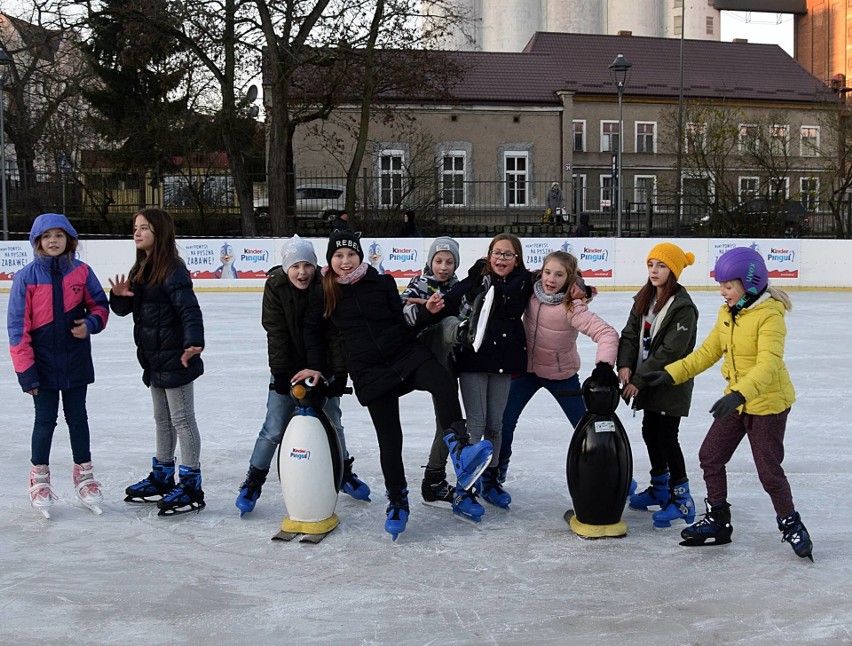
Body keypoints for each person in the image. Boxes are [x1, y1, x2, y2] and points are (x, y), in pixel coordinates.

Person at [294, 229, 493, 540]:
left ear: (360, 256)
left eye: (351, 254)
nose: (346, 261)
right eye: (339, 256)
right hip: (369, 370)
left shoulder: (381, 282)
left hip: (404, 354)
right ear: (330, 260)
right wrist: (316, 366)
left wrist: (427, 313)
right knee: (390, 440)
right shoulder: (325, 291)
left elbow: (402, 322)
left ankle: (460, 449)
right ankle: (398, 502)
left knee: (442, 381)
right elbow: (311, 330)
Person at [645, 247, 813, 561]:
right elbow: (706, 353)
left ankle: (790, 521)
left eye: (728, 286)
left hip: (767, 405)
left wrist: (738, 395)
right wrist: (669, 374)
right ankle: (719, 520)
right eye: (721, 285)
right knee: (710, 456)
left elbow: (768, 365)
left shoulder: (769, 316)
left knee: (768, 471)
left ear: (749, 284)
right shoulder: (729, 314)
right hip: (736, 401)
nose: (722, 292)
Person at [234, 235, 370, 515]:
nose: (302, 272)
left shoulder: (325, 285)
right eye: (295, 266)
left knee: (334, 424)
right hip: (288, 369)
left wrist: (338, 375)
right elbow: (276, 331)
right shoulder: (275, 287)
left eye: (307, 265)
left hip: (324, 370)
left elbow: (334, 334)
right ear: (286, 268)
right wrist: (281, 373)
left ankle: (343, 473)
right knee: (273, 429)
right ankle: (253, 481)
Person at [7, 213, 109, 517]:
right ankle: (39, 478)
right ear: (37, 241)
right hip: (42, 363)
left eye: (59, 235)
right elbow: (17, 328)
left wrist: (90, 324)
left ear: (69, 240)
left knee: (78, 418)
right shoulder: (26, 277)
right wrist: (26, 371)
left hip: (75, 359)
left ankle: (85, 476)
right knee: (45, 420)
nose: (53, 241)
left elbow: (100, 306)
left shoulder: (81, 272)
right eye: (47, 236)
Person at [498, 251, 619, 503]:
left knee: (586, 427)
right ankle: (497, 474)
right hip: (526, 372)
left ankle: (614, 474)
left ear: (569, 278)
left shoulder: (573, 306)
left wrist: (604, 366)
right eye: (548, 272)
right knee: (504, 423)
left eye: (559, 275)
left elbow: (607, 334)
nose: (551, 279)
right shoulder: (529, 291)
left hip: (560, 374)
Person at [108, 207, 207, 517]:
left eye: (144, 228)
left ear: (160, 233)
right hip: (153, 359)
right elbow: (126, 311)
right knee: (162, 419)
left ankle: (190, 482)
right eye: (135, 227)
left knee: (182, 419)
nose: (136, 233)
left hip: (177, 356)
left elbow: (189, 310)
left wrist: (193, 343)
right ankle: (163, 475)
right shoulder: (142, 269)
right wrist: (120, 296)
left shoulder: (173, 269)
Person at [440, 233, 533, 509]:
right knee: (476, 425)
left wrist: (580, 286)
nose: (501, 259)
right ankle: (465, 486)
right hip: (474, 357)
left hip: (505, 360)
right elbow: (451, 298)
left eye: (508, 254)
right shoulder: (477, 277)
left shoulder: (524, 282)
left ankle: (489, 480)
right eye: (497, 253)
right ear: (489, 255)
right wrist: (429, 307)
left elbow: (553, 282)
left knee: (496, 425)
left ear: (516, 260)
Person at [399, 236, 483, 522]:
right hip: (426, 349)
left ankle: (433, 479)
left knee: (446, 422)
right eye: (438, 261)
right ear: (430, 262)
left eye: (449, 262)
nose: (443, 267)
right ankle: (461, 333)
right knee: (449, 323)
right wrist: (424, 307)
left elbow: (468, 312)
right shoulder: (420, 283)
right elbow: (403, 311)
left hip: (449, 360)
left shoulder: (461, 288)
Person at [617, 243, 699, 529]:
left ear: (673, 271)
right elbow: (629, 335)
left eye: (661, 265)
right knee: (650, 431)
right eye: (651, 264)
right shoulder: (645, 298)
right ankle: (660, 487)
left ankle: (681, 498)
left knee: (666, 436)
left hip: (669, 383)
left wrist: (638, 381)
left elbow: (670, 352)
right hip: (645, 380)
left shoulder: (684, 308)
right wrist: (625, 366)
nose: (654, 270)